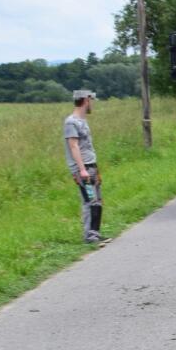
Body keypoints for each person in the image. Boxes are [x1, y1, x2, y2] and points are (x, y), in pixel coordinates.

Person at [63, 90, 110, 245]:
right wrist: (82, 170)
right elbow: (74, 146)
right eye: (90, 100)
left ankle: (94, 233)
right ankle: (89, 236)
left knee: (97, 200)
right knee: (90, 200)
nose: (91, 104)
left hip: (91, 166)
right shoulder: (71, 122)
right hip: (84, 169)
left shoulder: (82, 121)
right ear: (85, 100)